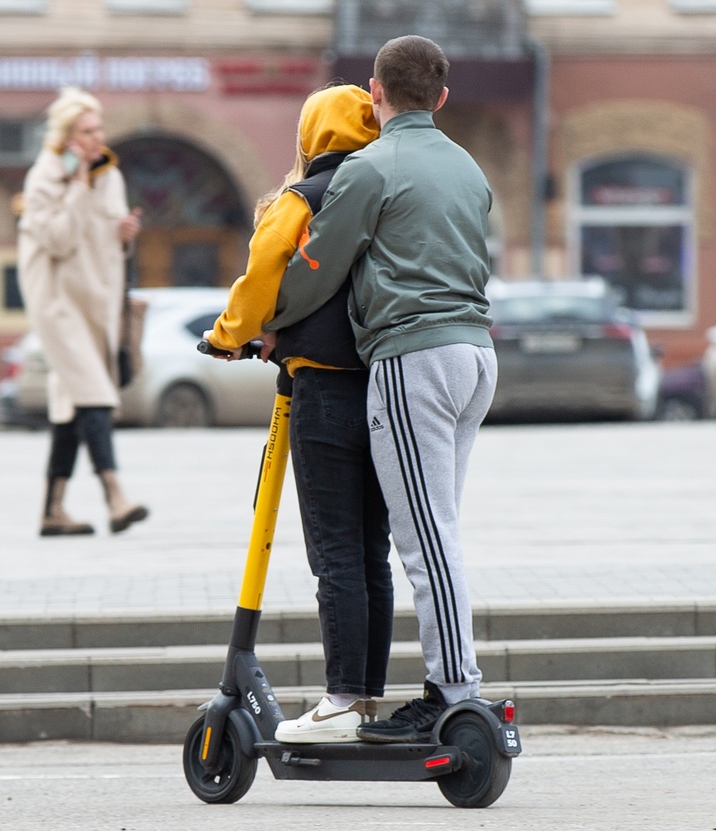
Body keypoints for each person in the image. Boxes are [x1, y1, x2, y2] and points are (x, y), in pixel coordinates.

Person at [267, 35, 498, 743]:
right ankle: (448, 685)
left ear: (375, 92)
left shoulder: (371, 167)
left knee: (422, 536)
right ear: (443, 98)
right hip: (477, 356)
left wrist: (270, 323)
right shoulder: (467, 167)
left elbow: (317, 267)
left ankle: (453, 690)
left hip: (413, 356)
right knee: (439, 525)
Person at [204, 83, 391, 743]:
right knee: (373, 550)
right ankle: (367, 696)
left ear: (311, 135)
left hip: (324, 389)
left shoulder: (303, 198)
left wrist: (229, 334)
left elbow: (262, 275)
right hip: (387, 385)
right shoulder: (382, 191)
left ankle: (340, 699)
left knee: (335, 550)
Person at [17, 86, 149, 537]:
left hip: (96, 302)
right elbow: (57, 240)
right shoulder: (45, 178)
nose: (98, 137)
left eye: (100, 128)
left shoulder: (109, 174)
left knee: (70, 406)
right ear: (67, 137)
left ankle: (52, 510)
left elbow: (105, 237)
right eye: (88, 131)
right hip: (57, 305)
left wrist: (125, 233)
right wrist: (75, 185)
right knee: (94, 393)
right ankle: (115, 496)